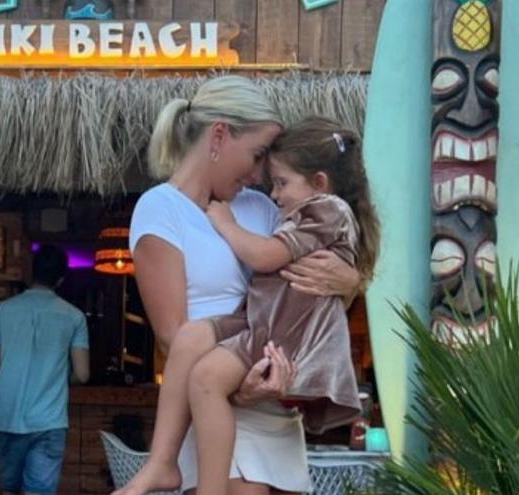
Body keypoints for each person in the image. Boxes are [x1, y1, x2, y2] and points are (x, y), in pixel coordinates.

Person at [120, 76, 363, 495]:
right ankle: (164, 464)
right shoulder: (160, 208)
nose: (258, 174)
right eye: (256, 156)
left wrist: (350, 282)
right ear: (219, 136)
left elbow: (304, 295)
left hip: (273, 399)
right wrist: (238, 384)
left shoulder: (262, 207)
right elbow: (170, 336)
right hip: (217, 397)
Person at [0, 244, 91, 495]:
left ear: (32, 273)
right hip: (49, 421)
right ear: (61, 279)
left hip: (7, 417)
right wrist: (61, 377)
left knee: (10, 490)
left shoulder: (1, 311)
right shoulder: (74, 317)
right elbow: (83, 375)